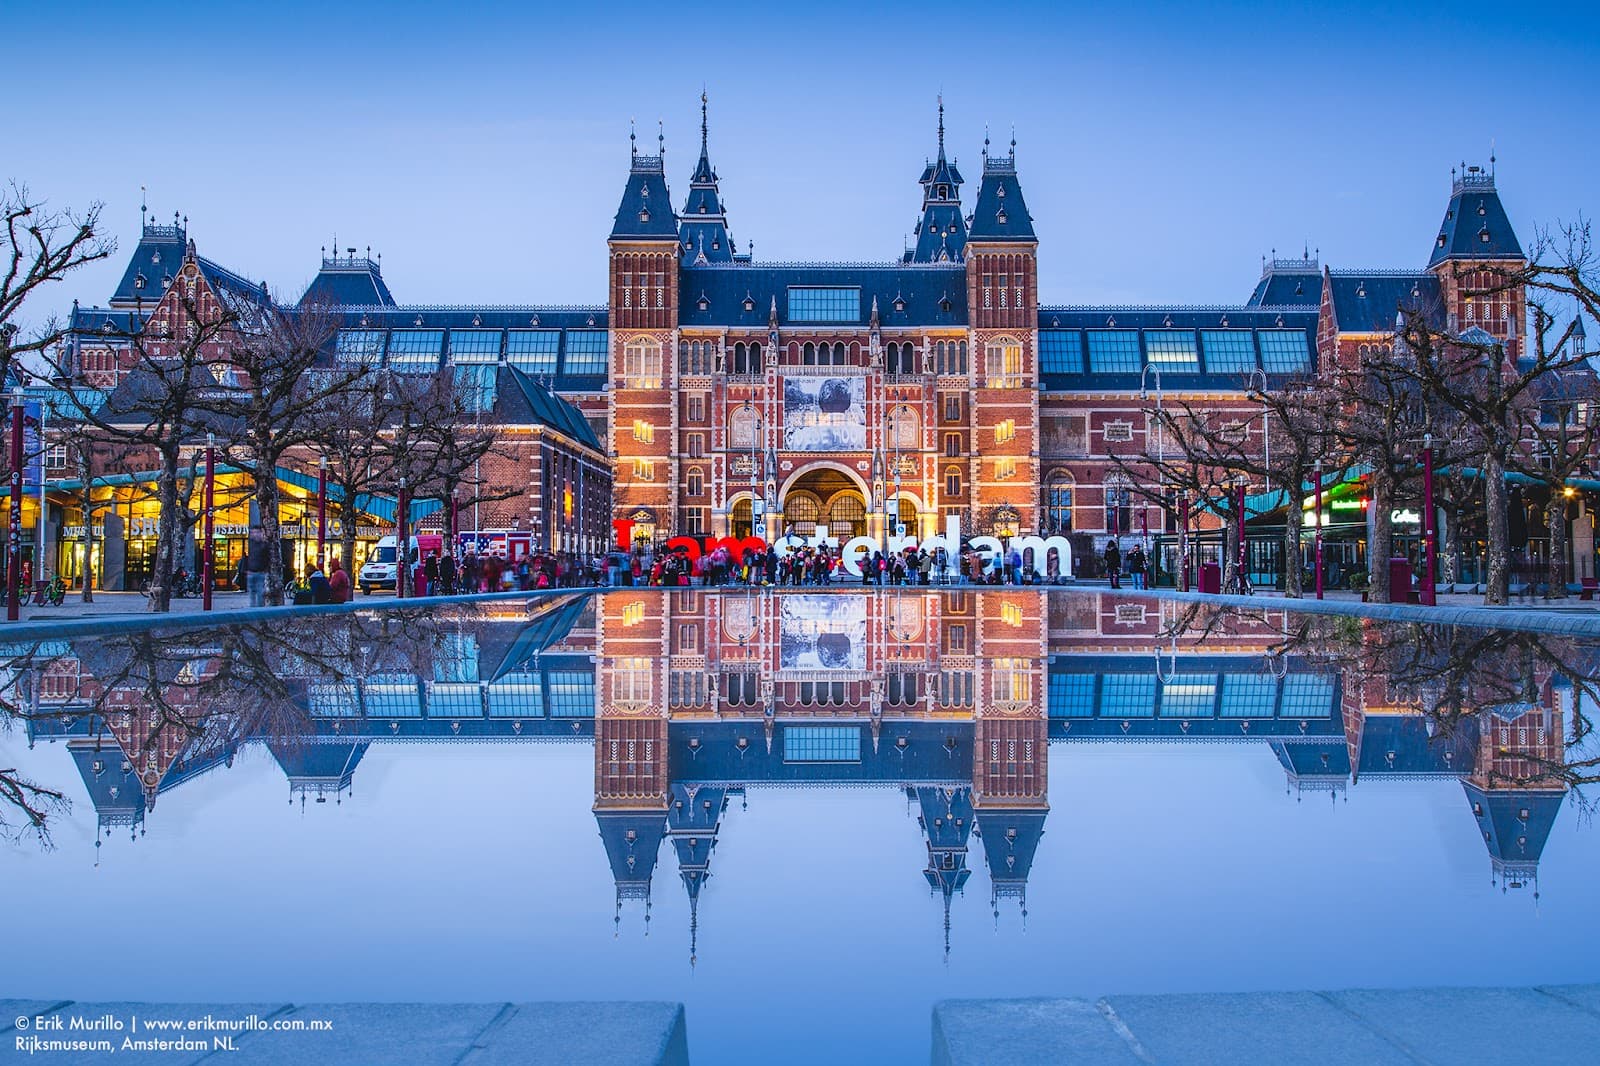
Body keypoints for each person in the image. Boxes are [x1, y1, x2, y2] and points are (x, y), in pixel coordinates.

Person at [245, 527, 270, 607]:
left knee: (259, 593)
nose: (254, 534)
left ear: (260, 533)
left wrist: (265, 570)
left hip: (259, 572)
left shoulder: (264, 545)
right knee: (252, 593)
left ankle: (259, 610)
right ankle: (253, 610)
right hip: (251, 572)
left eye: (256, 532)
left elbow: (267, 558)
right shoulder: (251, 545)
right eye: (252, 533)